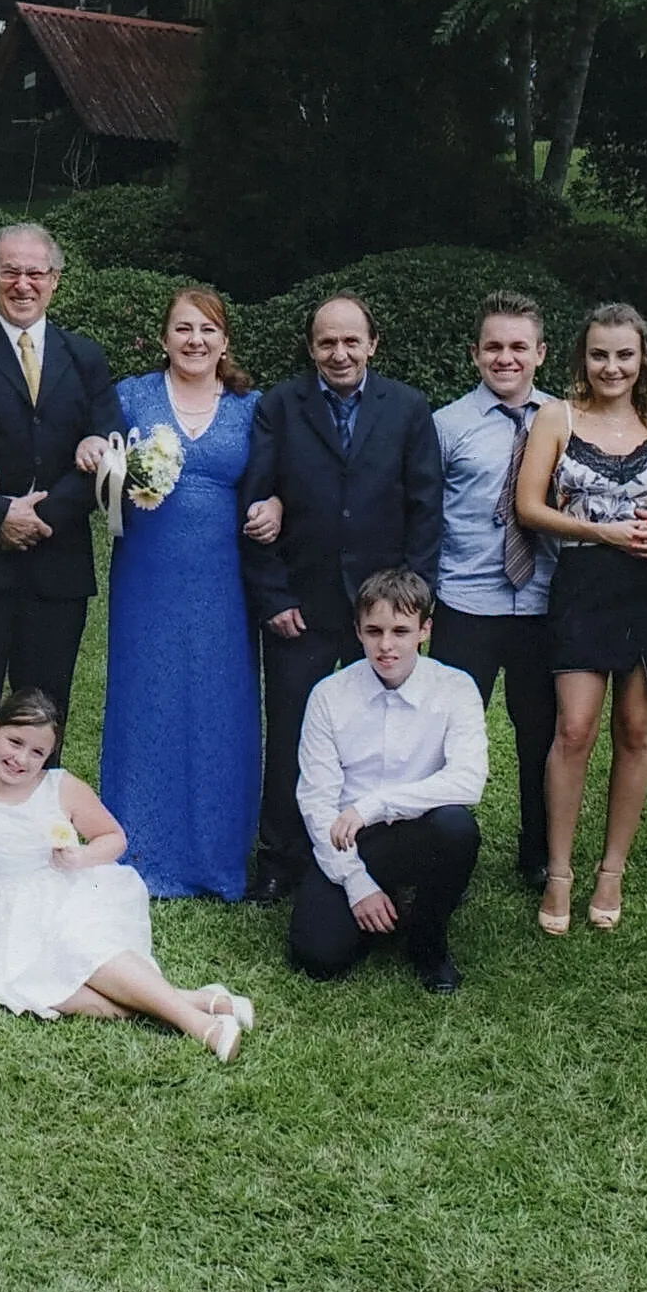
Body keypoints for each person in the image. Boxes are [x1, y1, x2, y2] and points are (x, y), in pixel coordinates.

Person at [0, 688, 254, 1062]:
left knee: (81, 947)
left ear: (49, 754)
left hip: (68, 890)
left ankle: (200, 1024)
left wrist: (82, 856)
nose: (21, 758)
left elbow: (114, 838)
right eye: (14, 741)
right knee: (41, 989)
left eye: (37, 752)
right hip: (9, 909)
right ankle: (202, 1000)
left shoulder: (60, 787)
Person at [238, 293, 444, 900]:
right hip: (302, 604)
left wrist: (410, 605)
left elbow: (425, 510)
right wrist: (274, 596)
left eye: (352, 341)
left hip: (382, 614)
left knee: (380, 738)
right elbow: (255, 502)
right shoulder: (281, 405)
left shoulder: (407, 409)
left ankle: (377, 849)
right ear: (311, 348)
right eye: (327, 342)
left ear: (372, 345)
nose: (340, 352)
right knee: (292, 733)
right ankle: (280, 859)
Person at [514, 304, 647, 934]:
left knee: (636, 730)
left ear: (642, 357)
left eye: (623, 355)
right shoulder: (557, 419)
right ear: (581, 358)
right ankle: (560, 871)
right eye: (599, 355)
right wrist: (601, 531)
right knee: (574, 729)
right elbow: (530, 507)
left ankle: (611, 869)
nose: (611, 367)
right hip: (583, 584)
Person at [0, 224, 124, 776]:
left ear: (55, 281)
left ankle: (36, 839)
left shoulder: (85, 357)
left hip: (56, 571)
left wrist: (39, 517)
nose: (23, 283)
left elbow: (110, 452)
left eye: (36, 272)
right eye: (10, 270)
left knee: (45, 709)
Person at [81, 287, 262, 901]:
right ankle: (140, 845)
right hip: (149, 575)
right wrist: (94, 455)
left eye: (208, 330)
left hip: (223, 580)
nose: (195, 341)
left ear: (225, 340)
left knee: (219, 705)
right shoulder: (130, 397)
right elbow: (96, 459)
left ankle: (216, 855)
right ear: (164, 338)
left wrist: (278, 502)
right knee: (148, 698)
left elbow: (275, 477)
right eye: (183, 329)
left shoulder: (250, 406)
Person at [289, 568, 486, 991]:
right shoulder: (329, 695)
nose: (386, 645)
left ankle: (427, 938)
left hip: (422, 831)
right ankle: (383, 902)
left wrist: (374, 805)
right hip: (350, 840)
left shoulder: (456, 688)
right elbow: (316, 800)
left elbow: (468, 781)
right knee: (317, 955)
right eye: (374, 631)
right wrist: (357, 882)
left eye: (401, 630)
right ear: (357, 631)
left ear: (425, 630)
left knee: (457, 827)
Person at [430, 292, 558, 893]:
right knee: (449, 733)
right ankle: (438, 844)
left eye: (518, 347)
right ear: (475, 354)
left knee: (542, 731)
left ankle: (538, 852)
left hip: (543, 602)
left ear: (540, 353)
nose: (505, 358)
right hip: (466, 602)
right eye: (493, 347)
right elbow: (426, 516)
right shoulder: (448, 425)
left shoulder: (565, 420)